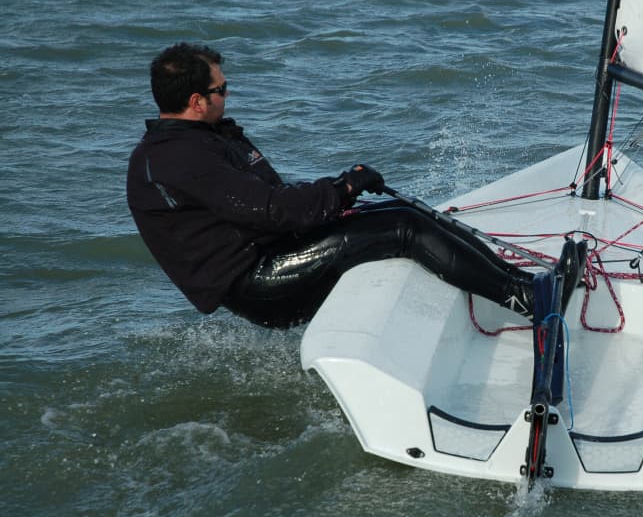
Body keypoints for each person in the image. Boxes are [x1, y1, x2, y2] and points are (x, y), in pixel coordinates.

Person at [126, 42, 577, 329]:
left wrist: (343, 192)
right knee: (402, 228)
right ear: (195, 100)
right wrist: (343, 188)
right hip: (257, 281)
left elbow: (271, 203)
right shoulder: (177, 158)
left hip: (273, 249)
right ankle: (528, 300)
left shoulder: (202, 138)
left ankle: (524, 283)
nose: (229, 95)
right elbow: (271, 209)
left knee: (408, 215)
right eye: (222, 89)